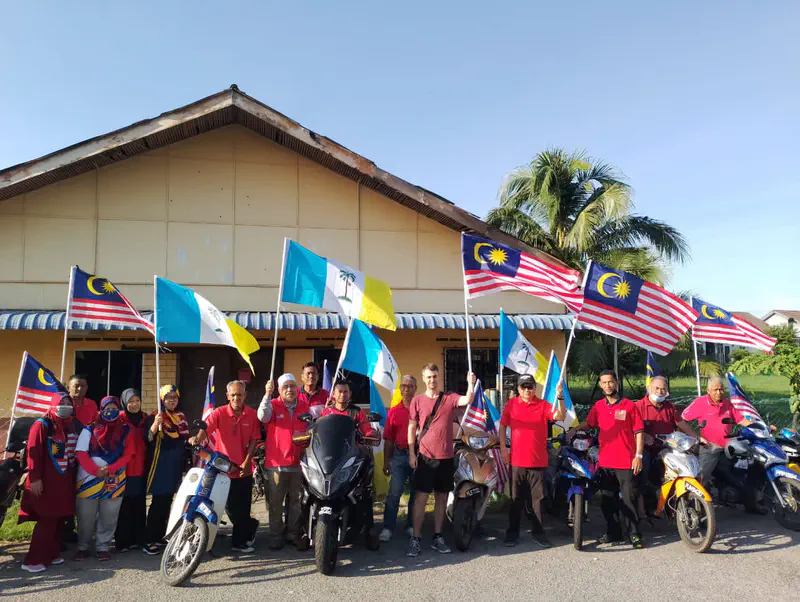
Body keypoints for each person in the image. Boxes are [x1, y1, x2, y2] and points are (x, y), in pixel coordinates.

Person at [568, 370, 645, 548]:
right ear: (601, 385)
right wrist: (575, 429)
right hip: (605, 463)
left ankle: (634, 534)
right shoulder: (599, 406)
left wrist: (638, 456)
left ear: (616, 383)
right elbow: (590, 424)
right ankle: (613, 533)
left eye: (610, 382)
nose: (607, 385)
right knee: (608, 502)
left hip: (626, 461)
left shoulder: (629, 406)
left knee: (628, 500)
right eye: (604, 382)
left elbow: (639, 432)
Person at [406, 365, 476, 557]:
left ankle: (438, 537)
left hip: (446, 457)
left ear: (439, 377)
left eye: (435, 376)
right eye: (428, 377)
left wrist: (471, 384)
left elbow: (467, 399)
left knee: (441, 499)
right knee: (420, 500)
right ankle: (416, 539)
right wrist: (412, 454)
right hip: (425, 457)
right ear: (423, 378)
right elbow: (412, 428)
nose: (432, 380)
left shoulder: (449, 398)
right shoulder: (417, 401)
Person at [191, 381, 261, 553]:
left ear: (245, 395)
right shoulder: (219, 413)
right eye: (233, 395)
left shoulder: (252, 415)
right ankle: (205, 539)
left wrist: (246, 462)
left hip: (243, 469)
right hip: (221, 469)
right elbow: (206, 429)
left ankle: (239, 542)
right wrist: (197, 439)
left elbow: (254, 440)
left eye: (240, 394)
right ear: (228, 396)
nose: (236, 398)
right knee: (222, 505)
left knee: (242, 508)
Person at [499, 374, 566, 548]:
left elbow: (560, 416)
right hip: (517, 461)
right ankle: (512, 532)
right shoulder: (511, 404)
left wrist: (560, 397)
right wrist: (503, 449)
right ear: (518, 389)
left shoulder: (543, 405)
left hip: (538, 461)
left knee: (538, 500)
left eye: (530, 387)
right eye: (523, 387)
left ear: (535, 388)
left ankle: (539, 532)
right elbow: (503, 426)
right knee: (516, 499)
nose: (527, 390)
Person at [18, 394, 79, 572]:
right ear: (53, 405)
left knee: (59, 519)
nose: (66, 406)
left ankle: (51, 553)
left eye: (69, 403)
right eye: (62, 403)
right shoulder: (41, 425)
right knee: (47, 519)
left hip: (62, 483)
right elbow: (33, 452)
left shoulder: (68, 425)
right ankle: (33, 560)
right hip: (45, 482)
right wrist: (35, 478)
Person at [681, 376, 760, 513]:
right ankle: (696, 512)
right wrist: (695, 437)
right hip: (709, 447)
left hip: (729, 446)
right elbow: (681, 420)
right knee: (701, 478)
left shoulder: (727, 403)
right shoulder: (700, 403)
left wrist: (759, 427)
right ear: (708, 390)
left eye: (721, 389)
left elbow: (741, 420)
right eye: (715, 389)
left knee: (742, 474)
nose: (719, 392)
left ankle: (750, 506)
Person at [320, 380, 379, 549]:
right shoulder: (326, 413)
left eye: (346, 391)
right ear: (334, 394)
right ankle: (305, 531)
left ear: (350, 394)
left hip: (352, 458)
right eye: (339, 391)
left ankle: (370, 531)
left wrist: (371, 433)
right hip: (331, 460)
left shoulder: (356, 412)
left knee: (364, 492)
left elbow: (366, 429)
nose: (343, 394)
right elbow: (318, 433)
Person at [74, 396, 134, 561]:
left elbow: (128, 453)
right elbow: (81, 452)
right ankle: (83, 546)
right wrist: (95, 470)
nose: (111, 411)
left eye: (115, 408)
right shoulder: (90, 429)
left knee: (110, 514)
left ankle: (103, 546)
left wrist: (111, 468)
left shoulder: (125, 429)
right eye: (107, 408)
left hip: (114, 478)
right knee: (85, 514)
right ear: (101, 409)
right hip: (88, 478)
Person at [259, 373, 309, 550]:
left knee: (296, 503)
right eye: (285, 387)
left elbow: (310, 425)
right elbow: (262, 417)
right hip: (276, 464)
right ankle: (275, 536)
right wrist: (267, 394)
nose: (290, 389)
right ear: (279, 390)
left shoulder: (304, 405)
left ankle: (293, 534)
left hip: (298, 463)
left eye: (292, 386)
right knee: (275, 504)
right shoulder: (272, 405)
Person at [634, 376, 696, 519]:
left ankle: (689, 506)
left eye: (663, 389)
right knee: (644, 472)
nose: (660, 392)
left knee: (687, 467)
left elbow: (681, 424)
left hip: (668, 448)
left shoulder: (670, 407)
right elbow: (631, 428)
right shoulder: (638, 407)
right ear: (649, 389)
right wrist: (644, 436)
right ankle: (646, 507)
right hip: (646, 449)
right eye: (657, 388)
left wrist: (696, 438)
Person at [142, 384, 189, 555]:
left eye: (174, 398)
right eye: (168, 398)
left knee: (168, 502)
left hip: (175, 465)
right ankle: (149, 539)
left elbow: (185, 438)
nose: (172, 401)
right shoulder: (156, 416)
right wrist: (155, 425)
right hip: (160, 465)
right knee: (158, 503)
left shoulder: (181, 417)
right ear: (162, 399)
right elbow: (147, 438)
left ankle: (161, 535)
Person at [379, 375, 418, 542]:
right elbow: (388, 439)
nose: (407, 389)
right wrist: (386, 461)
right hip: (399, 456)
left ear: (416, 388)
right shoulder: (393, 412)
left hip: (418, 456)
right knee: (394, 493)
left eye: (410, 386)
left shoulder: (421, 409)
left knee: (416, 494)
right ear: (400, 389)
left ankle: (411, 525)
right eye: (404, 386)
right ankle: (388, 527)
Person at [63, 374, 99, 543]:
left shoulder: (91, 404)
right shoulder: (63, 403)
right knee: (65, 493)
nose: (79, 389)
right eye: (76, 385)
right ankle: (65, 531)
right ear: (68, 387)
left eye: (83, 386)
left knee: (82, 493)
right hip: (64, 455)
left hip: (85, 456)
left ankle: (82, 531)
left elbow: (96, 427)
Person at [114, 388, 148, 552]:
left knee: (139, 504)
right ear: (124, 402)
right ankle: (122, 541)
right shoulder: (119, 419)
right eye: (131, 401)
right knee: (124, 506)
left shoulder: (146, 419)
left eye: (137, 401)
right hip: (123, 469)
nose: (134, 404)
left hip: (141, 467)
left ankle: (138, 538)